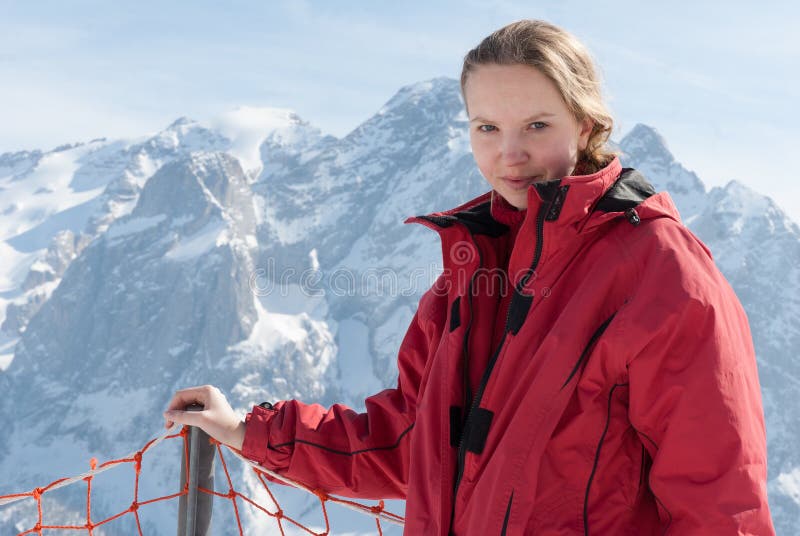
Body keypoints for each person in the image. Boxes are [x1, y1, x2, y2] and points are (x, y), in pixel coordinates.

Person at [164, 19, 775, 534]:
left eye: (536, 125)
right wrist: (247, 429)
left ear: (584, 125)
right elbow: (412, 441)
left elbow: (717, 499)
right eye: (487, 128)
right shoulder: (473, 266)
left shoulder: (663, 272)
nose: (509, 153)